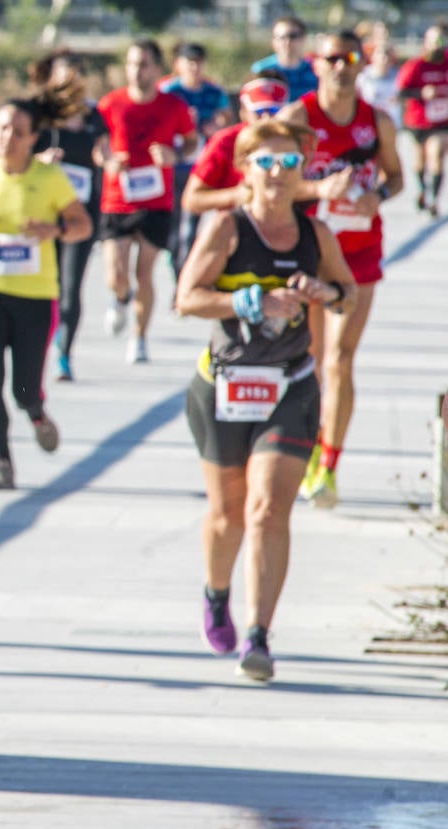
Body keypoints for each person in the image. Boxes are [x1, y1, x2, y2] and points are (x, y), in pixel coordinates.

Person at [176, 119, 356, 681]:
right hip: (225, 384)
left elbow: (347, 292)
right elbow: (187, 298)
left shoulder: (314, 234)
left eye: (288, 163)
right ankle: (215, 592)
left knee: (268, 508)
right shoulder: (227, 228)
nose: (277, 174)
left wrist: (323, 293)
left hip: (289, 385)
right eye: (266, 163)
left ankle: (258, 636)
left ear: (303, 171)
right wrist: (250, 300)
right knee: (228, 516)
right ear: (245, 170)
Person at [279, 30, 404, 509]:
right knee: (309, 358)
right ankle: (306, 452)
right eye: (333, 57)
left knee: (340, 359)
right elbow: (274, 185)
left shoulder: (378, 122)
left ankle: (329, 464)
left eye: (352, 57)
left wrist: (380, 195)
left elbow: (396, 178)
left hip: (360, 255)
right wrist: (319, 191)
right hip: (310, 251)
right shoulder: (297, 118)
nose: (342, 65)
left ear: (362, 63)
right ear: (317, 64)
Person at [0, 92, 93, 490]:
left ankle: (36, 415)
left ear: (33, 138)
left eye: (16, 131)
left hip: (35, 295)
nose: (6, 137)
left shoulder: (49, 178)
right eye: (0, 128)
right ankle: (3, 463)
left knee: (24, 387)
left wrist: (56, 230)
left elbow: (83, 225)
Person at [94, 38, 197, 364]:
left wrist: (174, 154)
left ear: (157, 69)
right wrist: (107, 162)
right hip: (118, 199)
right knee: (116, 273)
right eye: (131, 63)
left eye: (143, 64)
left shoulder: (173, 106)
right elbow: (98, 146)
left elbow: (192, 143)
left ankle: (139, 338)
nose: (136, 70)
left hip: (157, 200)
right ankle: (121, 298)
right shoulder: (110, 104)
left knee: (145, 272)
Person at [31, 48, 106, 382]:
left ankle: (64, 354)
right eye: (63, 71)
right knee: (47, 283)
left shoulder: (92, 115)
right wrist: (41, 161)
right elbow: (15, 156)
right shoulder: (36, 114)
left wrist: (108, 158)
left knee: (72, 283)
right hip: (44, 211)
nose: (69, 78)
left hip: (80, 212)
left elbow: (105, 151)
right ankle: (38, 348)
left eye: (76, 71)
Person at [161, 43, 232, 284]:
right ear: (177, 64)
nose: (194, 67)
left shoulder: (214, 92)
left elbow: (228, 120)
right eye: (188, 61)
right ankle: (178, 278)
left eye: (198, 62)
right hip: (172, 169)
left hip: (200, 171)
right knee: (173, 232)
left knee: (190, 230)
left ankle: (186, 281)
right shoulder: (168, 91)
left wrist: (217, 126)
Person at [182, 72, 290, 215]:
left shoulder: (297, 142)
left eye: (274, 110)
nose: (266, 119)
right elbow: (191, 200)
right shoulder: (225, 142)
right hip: (237, 228)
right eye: (259, 111)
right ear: (243, 111)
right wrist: (237, 195)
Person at [396, 21, 448, 216]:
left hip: (442, 123)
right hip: (419, 121)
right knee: (420, 161)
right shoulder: (416, 65)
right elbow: (401, 93)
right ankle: (422, 189)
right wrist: (421, 93)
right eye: (434, 40)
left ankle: (434, 199)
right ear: (426, 42)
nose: (438, 44)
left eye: (441, 39)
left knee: (436, 155)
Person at [251, 15, 318, 101]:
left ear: (303, 38)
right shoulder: (262, 70)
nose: (287, 42)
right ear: (273, 41)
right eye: (281, 37)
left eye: (292, 36)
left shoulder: (316, 69)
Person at [358, 39, 403, 131]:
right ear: (373, 56)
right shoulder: (363, 76)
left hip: (392, 124)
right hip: (368, 124)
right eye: (380, 53)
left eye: (387, 54)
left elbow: (405, 98)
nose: (384, 57)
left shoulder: (400, 75)